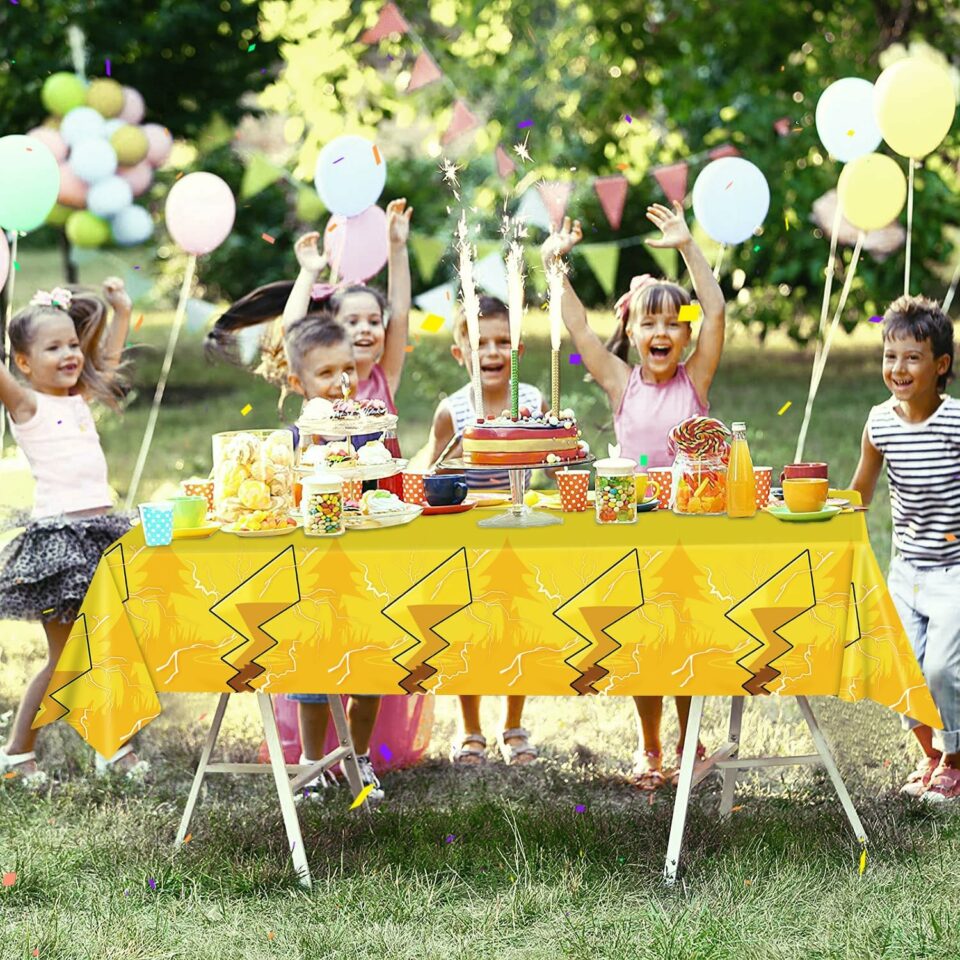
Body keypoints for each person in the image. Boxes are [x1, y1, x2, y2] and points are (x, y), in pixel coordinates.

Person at [542, 202, 726, 790]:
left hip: (689, 529)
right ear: (633, 332)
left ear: (687, 333)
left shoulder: (696, 381)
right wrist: (556, 267)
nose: (661, 333)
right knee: (645, 645)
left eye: (673, 323)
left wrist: (687, 247)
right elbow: (575, 328)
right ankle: (651, 748)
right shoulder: (623, 382)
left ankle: (689, 740)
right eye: (649, 324)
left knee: (683, 639)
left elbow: (718, 309)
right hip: (633, 529)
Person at [0, 280, 147, 785]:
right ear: (23, 362)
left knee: (109, 648)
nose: (70, 354)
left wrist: (120, 310)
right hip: (59, 546)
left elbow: (106, 356)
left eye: (71, 344)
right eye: (53, 347)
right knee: (64, 657)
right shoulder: (27, 406)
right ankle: (18, 752)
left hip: (100, 536)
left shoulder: (80, 395)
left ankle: (113, 744)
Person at [410, 296, 547, 766]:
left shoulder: (531, 401)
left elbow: (545, 458)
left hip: (517, 537)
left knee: (517, 632)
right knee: (466, 633)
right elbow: (431, 474)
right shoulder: (452, 410)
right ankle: (470, 729)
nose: (491, 351)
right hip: (466, 540)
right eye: (479, 342)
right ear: (460, 353)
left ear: (519, 350)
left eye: (503, 342)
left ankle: (513, 724)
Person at [208, 199, 413, 494]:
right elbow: (295, 331)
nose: (364, 329)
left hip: (383, 504)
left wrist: (396, 248)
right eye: (352, 322)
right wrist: (308, 272)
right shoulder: (315, 381)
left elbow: (401, 313)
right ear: (332, 329)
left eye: (373, 320)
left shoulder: (384, 380)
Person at [850, 294, 960, 802]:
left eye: (912, 357)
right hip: (905, 572)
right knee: (901, 669)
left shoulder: (955, 423)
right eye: (890, 356)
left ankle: (955, 760)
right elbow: (860, 495)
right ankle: (931, 756)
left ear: (941, 366)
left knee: (940, 668)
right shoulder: (880, 423)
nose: (898, 367)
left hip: (953, 572)